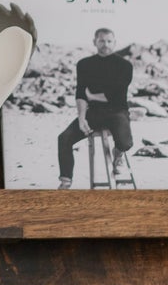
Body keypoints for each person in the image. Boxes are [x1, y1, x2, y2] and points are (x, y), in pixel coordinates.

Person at [56, 28, 133, 188]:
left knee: (125, 143)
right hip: (93, 113)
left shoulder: (125, 65)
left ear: (115, 43)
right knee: (64, 139)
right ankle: (65, 181)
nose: (105, 44)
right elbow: (80, 93)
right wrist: (82, 117)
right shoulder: (84, 64)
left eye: (109, 41)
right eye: (101, 41)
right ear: (95, 42)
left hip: (117, 112)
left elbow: (116, 96)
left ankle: (118, 154)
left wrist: (92, 96)